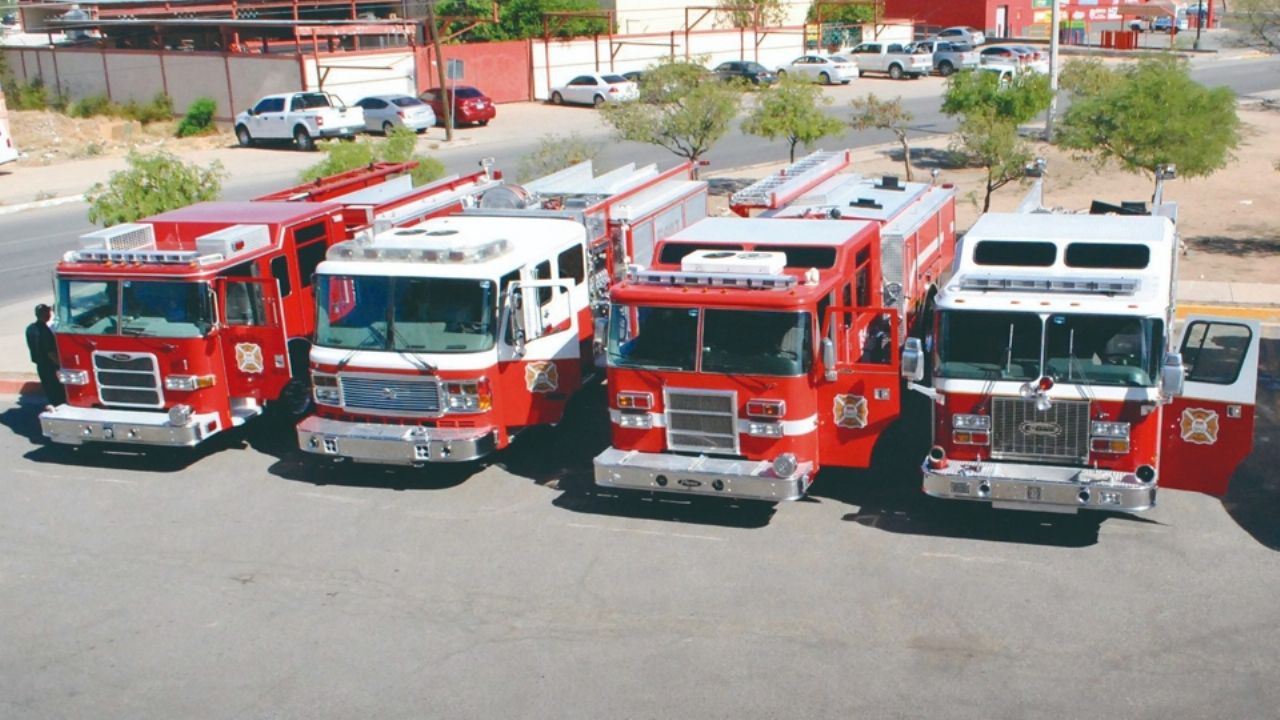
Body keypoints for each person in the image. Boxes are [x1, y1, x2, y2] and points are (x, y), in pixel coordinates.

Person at [26, 303, 66, 406]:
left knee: (49, 391)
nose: (50, 313)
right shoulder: (44, 331)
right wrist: (62, 365)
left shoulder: (30, 329)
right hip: (50, 367)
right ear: (44, 314)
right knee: (58, 394)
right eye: (48, 311)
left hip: (40, 366)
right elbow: (50, 353)